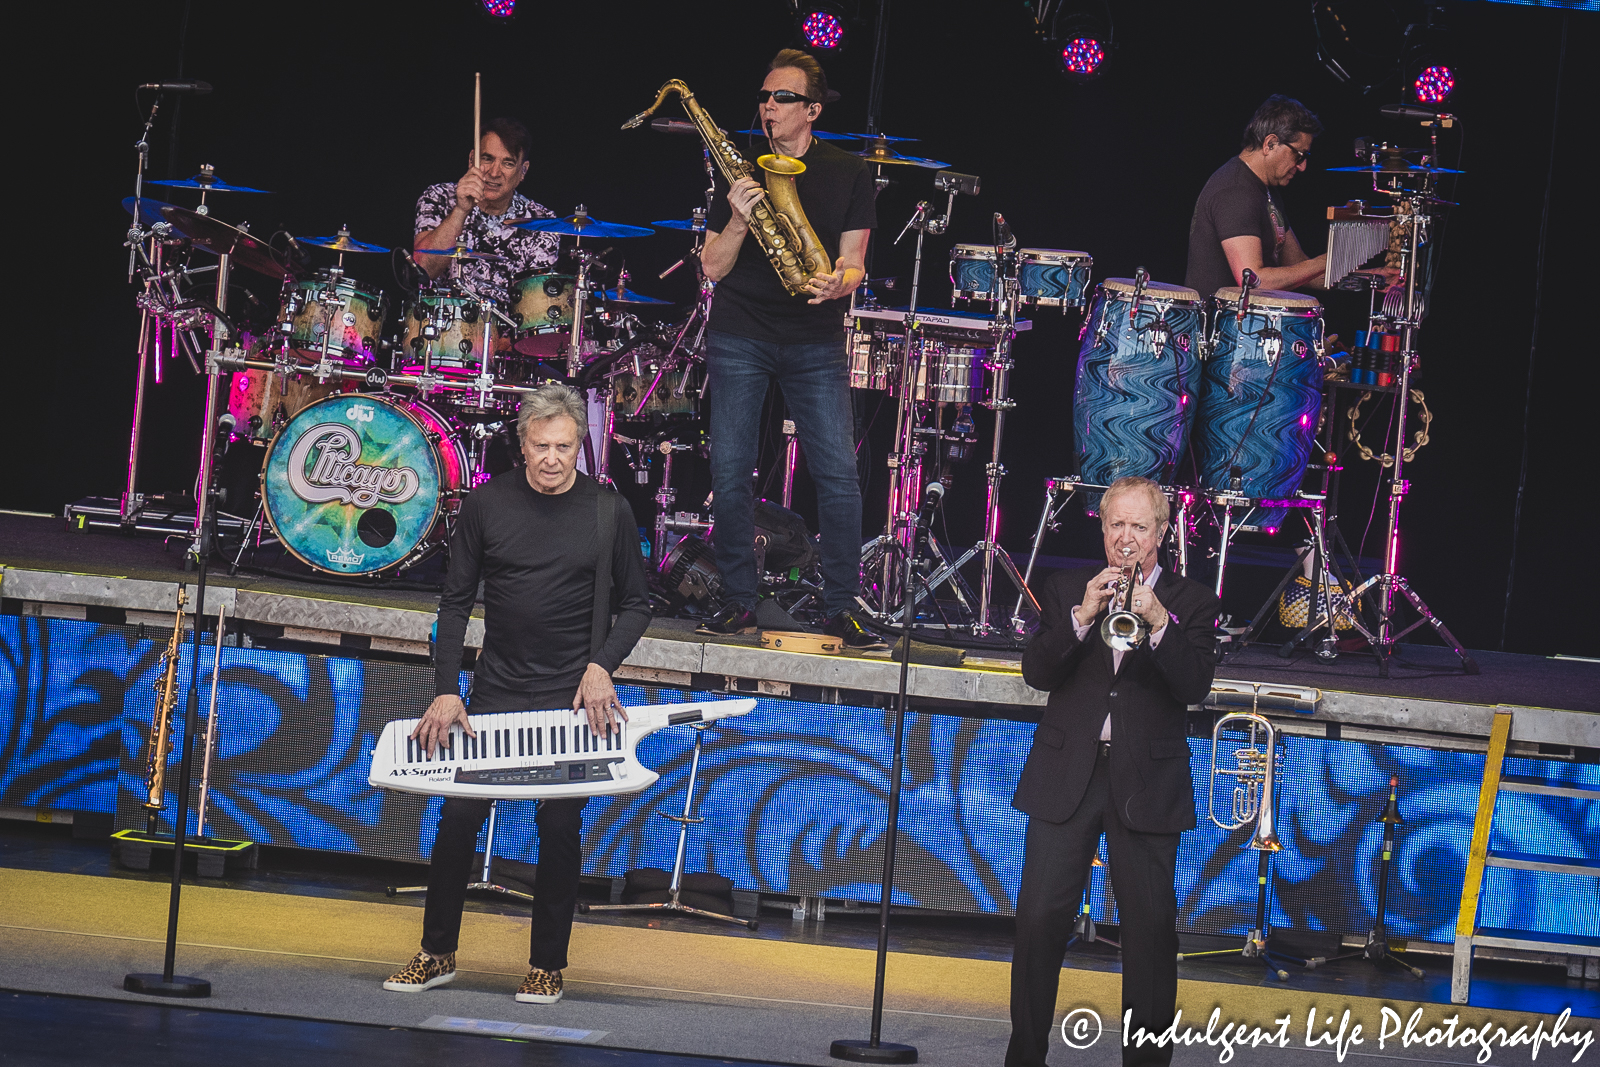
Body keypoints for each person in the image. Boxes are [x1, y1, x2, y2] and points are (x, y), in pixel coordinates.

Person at [382, 382, 651, 1004]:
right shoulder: (486, 504)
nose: (553, 458)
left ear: (580, 445)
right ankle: (436, 953)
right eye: (541, 446)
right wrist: (447, 691)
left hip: (575, 696)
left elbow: (637, 604)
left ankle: (546, 964)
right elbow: (452, 606)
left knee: (558, 826)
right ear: (521, 446)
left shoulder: (609, 511)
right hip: (497, 688)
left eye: (564, 446)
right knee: (457, 819)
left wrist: (601, 666)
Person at [1007, 477, 1220, 1067]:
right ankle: (1023, 1057)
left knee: (1150, 935)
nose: (1126, 539)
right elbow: (1038, 673)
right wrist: (1081, 617)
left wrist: (1157, 621)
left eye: (1139, 527)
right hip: (1065, 776)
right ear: (1102, 529)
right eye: (1115, 526)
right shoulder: (1064, 588)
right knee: (1040, 923)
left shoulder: (1195, 602)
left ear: (1162, 532)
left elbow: (1193, 685)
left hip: (1146, 782)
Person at [695, 49, 882, 649]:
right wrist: (739, 220)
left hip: (814, 337)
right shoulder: (739, 171)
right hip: (739, 332)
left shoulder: (849, 172)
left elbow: (855, 262)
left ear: (812, 110)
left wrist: (840, 282)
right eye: (764, 97)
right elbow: (711, 267)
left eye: (782, 98)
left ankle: (841, 605)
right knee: (729, 471)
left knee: (838, 474)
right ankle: (739, 600)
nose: (767, 107)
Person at [1184, 95, 1328, 298]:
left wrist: (1372, 278)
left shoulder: (1266, 189)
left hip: (1250, 327)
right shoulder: (1235, 191)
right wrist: (1327, 260)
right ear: (1270, 144)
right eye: (1299, 155)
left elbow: (1301, 269)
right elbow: (1254, 280)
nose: (1303, 166)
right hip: (1225, 327)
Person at [414, 116, 559, 304]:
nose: (494, 172)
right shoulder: (438, 197)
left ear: (523, 171)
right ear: (471, 159)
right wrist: (460, 210)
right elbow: (423, 271)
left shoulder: (542, 222)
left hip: (504, 329)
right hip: (438, 326)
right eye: (487, 159)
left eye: (508, 163)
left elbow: (534, 310)